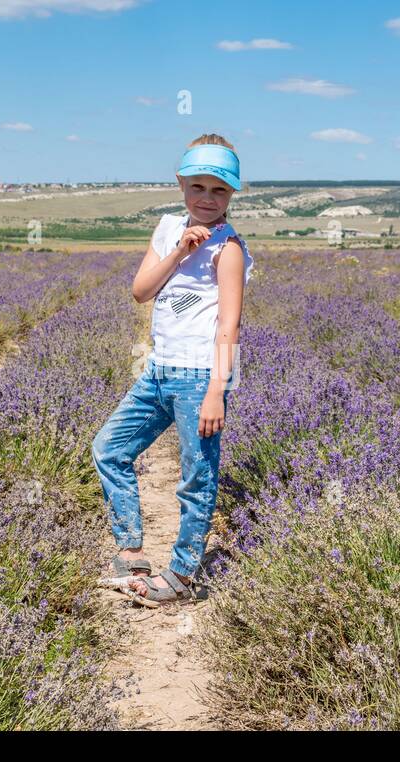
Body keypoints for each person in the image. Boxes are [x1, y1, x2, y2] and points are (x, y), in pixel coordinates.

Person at [90, 134, 254, 606]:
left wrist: (217, 392)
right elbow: (141, 291)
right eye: (198, 187)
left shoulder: (230, 249)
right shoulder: (167, 231)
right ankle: (133, 552)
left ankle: (182, 573)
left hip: (200, 376)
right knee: (109, 449)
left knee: (196, 475)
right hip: (159, 371)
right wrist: (179, 252)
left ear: (233, 194)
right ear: (181, 184)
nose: (207, 199)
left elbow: (230, 325)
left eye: (219, 190)